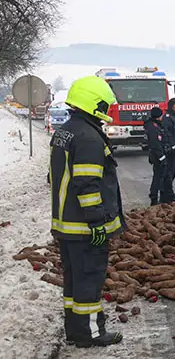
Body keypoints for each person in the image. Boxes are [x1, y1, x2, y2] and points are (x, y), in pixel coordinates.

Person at [49, 75, 125, 348]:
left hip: (66, 225)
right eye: (104, 105)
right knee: (89, 281)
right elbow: (87, 183)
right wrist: (96, 222)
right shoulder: (89, 137)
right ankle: (92, 333)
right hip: (84, 227)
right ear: (94, 102)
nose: (106, 111)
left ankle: (76, 330)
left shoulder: (65, 131)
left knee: (74, 282)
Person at [144, 106, 168, 206]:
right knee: (157, 177)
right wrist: (162, 157)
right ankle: (154, 198)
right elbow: (155, 144)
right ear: (158, 116)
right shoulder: (153, 127)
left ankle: (159, 196)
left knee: (159, 176)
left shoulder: (155, 125)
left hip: (157, 155)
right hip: (157, 157)